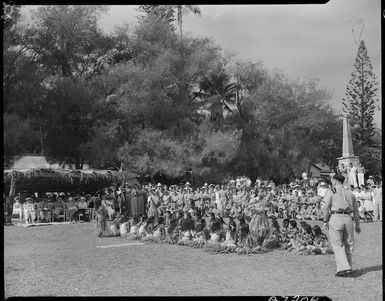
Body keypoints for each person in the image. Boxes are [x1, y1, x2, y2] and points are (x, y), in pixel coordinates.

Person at [323, 173, 361, 277]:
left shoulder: (331, 191)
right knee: (349, 243)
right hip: (348, 218)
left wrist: (325, 220)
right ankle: (348, 267)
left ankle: (343, 268)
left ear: (334, 181)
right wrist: (357, 224)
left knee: (337, 243)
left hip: (336, 217)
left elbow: (326, 207)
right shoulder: (350, 193)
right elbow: (356, 211)